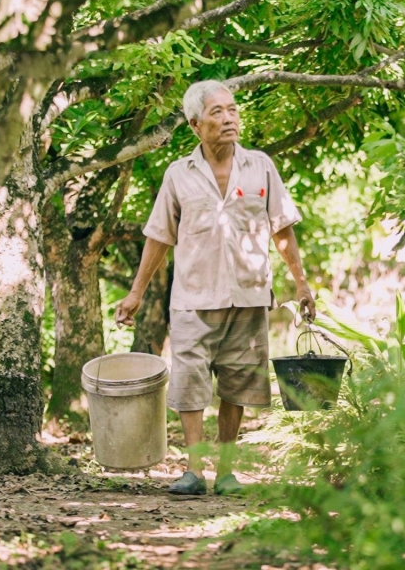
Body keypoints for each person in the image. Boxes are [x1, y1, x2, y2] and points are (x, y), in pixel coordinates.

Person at [114, 80, 316, 496]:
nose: (229, 119)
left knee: (237, 384)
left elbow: (282, 230)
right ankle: (193, 471)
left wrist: (301, 283)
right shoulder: (178, 175)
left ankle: (226, 471)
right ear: (194, 124)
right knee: (190, 385)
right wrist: (135, 292)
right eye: (217, 113)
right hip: (193, 298)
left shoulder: (260, 166)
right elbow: (158, 237)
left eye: (233, 110)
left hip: (249, 294)